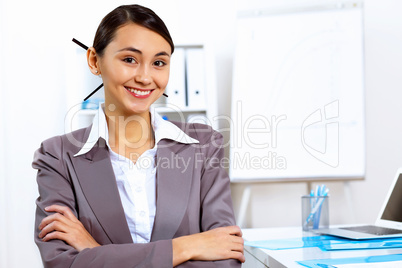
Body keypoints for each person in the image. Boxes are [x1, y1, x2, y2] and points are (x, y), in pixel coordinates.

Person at [32, 4, 244, 267]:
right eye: (129, 59)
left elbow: (226, 258)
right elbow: (62, 263)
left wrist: (94, 250)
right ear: (94, 61)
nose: (145, 77)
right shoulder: (57, 156)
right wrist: (187, 246)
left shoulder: (204, 145)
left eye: (159, 63)